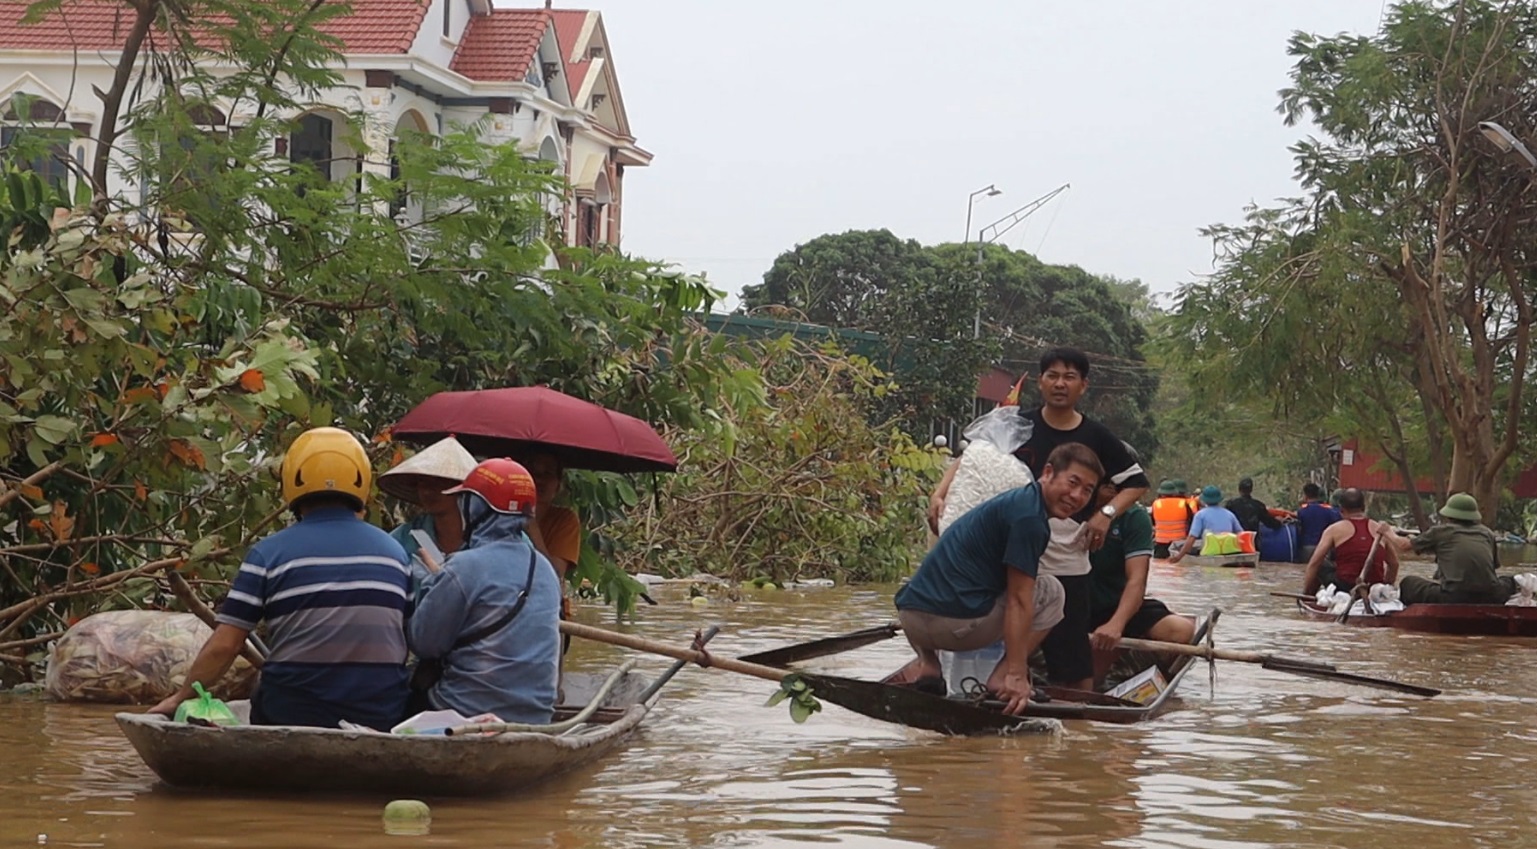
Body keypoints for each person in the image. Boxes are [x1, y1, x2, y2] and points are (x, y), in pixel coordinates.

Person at [148, 427, 411, 730]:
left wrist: (181, 696)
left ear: (293, 481)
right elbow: (407, 637)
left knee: (264, 685)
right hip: (380, 714)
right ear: (361, 481)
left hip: (290, 713)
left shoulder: (267, 554)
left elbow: (225, 646)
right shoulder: (396, 554)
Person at [927, 347, 1149, 692]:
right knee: (997, 628)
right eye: (1052, 376)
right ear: (1041, 381)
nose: (1060, 384)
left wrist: (1105, 515)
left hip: (1066, 558)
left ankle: (1076, 725)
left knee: (1072, 660)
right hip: (1013, 550)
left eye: (1069, 377)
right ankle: (985, 685)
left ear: (1083, 386)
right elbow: (974, 459)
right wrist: (940, 493)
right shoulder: (1019, 426)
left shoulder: (1097, 436)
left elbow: (1136, 483)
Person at [896, 443, 1103, 714]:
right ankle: (1003, 677)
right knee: (1051, 592)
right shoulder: (1030, 519)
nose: (1076, 496)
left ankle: (929, 665)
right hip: (953, 629)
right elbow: (1019, 600)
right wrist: (1018, 673)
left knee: (927, 584)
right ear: (1048, 473)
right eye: (1072, 482)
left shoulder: (1014, 501)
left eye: (1087, 490)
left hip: (911, 622)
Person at [409, 458, 562, 723]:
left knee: (403, 690)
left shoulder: (464, 567)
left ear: (476, 508)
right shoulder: (545, 569)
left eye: (464, 500)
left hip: (463, 710)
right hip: (537, 717)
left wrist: (433, 583)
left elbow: (423, 643)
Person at [1087, 479, 1196, 667]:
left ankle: (1128, 668)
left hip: (1117, 603)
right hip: (1073, 605)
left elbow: (1136, 580)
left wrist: (1116, 624)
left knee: (1181, 630)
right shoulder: (1069, 509)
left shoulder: (1134, 516)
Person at [1378, 493, 1515, 604]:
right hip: (1491, 595)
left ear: (1449, 515)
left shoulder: (1441, 532)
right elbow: (1491, 567)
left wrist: (1388, 532)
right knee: (1510, 581)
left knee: (1408, 583)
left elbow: (1404, 546)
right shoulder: (1487, 533)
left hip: (1454, 597)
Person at [381, 436, 479, 573]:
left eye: (439, 482)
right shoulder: (402, 539)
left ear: (461, 488)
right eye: (422, 482)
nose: (427, 491)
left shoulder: (490, 537)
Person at [1300, 488, 1400, 594]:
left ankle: (1309, 596)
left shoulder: (1334, 529)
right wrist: (1386, 586)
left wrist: (1304, 592)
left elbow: (1314, 563)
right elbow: (1394, 564)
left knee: (1320, 564)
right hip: (1374, 586)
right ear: (1364, 508)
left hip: (1345, 587)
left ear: (1341, 510)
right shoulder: (1380, 529)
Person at [514, 451, 583, 582]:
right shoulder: (499, 513)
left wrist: (532, 527)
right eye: (533, 472)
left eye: (547, 474)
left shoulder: (565, 519)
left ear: (558, 485)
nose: (539, 479)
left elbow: (554, 574)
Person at [1167, 485, 1243, 564]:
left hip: (1210, 551)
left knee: (1179, 546)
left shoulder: (1200, 515)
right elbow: (1241, 534)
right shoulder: (1229, 514)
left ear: (1204, 500)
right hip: (1229, 550)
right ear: (1220, 499)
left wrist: (1178, 557)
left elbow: (1192, 538)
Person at [1296, 483, 1341, 563]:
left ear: (1305, 495)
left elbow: (1298, 530)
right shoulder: (1328, 511)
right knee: (1324, 571)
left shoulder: (1302, 511)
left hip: (1306, 547)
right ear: (1318, 495)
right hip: (1324, 547)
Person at [1151, 480, 1194, 558]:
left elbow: (1153, 522)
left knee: (1161, 565)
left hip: (1161, 542)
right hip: (1179, 542)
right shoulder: (1183, 503)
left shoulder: (1156, 503)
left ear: (1161, 493)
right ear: (1174, 492)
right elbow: (1191, 521)